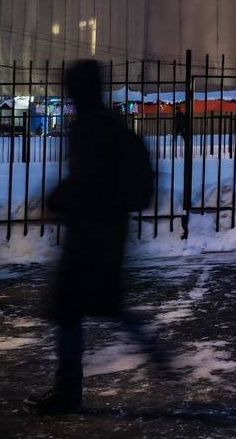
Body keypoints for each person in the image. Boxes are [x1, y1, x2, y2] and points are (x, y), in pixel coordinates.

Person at [27, 59, 167, 415]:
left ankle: (67, 391)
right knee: (106, 305)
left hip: (88, 236)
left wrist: (55, 201)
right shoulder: (113, 124)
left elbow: (84, 179)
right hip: (111, 233)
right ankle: (158, 356)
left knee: (69, 310)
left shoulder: (87, 127)